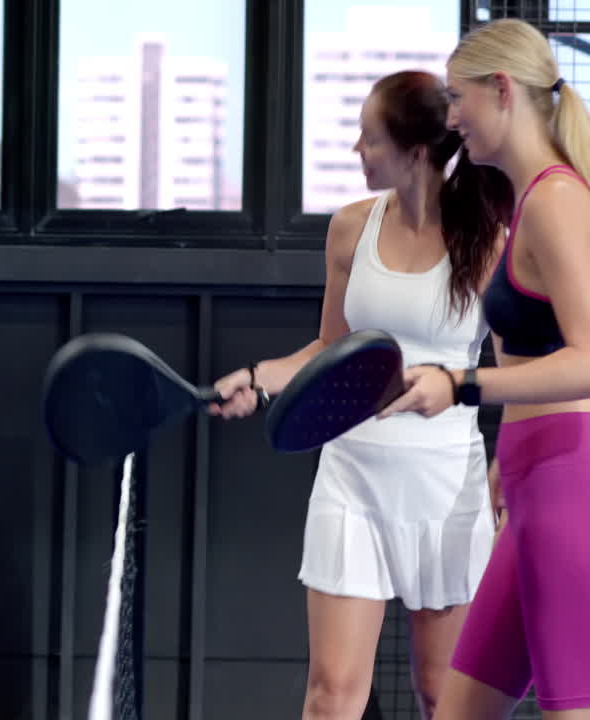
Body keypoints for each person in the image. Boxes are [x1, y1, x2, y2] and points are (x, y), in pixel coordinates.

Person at [209, 70, 513, 719]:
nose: (357, 151)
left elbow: (518, 370)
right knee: (332, 696)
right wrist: (258, 378)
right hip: (351, 480)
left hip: (447, 491)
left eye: (369, 139)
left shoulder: (490, 241)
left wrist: (505, 467)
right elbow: (329, 350)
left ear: (414, 152)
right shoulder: (349, 230)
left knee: (443, 695)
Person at [381, 18, 590, 720]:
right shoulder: (528, 202)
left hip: (569, 489)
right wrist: (511, 459)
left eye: (458, 96)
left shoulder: (558, 200)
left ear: (502, 90)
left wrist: (464, 384)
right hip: (532, 483)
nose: (452, 118)